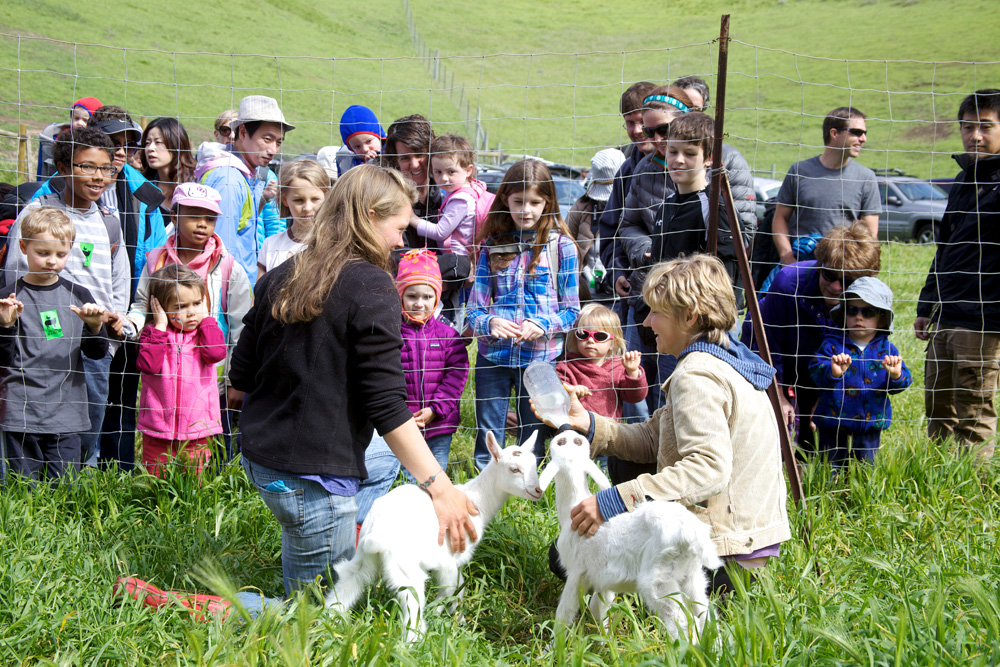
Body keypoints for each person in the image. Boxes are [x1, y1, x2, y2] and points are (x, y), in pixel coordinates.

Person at [229, 164, 478, 599]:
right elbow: (386, 405)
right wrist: (441, 489)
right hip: (312, 473)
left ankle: (342, 535)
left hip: (265, 457)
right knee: (315, 612)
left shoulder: (283, 273)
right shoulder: (372, 285)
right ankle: (202, 608)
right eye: (398, 227)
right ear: (367, 216)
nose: (402, 240)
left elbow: (241, 375)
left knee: (376, 465)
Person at [543, 254, 790, 595]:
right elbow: (653, 436)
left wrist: (613, 501)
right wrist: (588, 423)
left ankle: (708, 590)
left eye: (656, 312)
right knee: (623, 460)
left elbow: (708, 468)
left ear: (689, 317)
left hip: (724, 548)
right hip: (750, 539)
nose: (646, 323)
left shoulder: (697, 375)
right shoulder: (722, 357)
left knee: (565, 555)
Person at [4, 127, 131, 470]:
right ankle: (27, 488)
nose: (99, 176)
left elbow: (118, 280)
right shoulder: (36, 214)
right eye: (87, 166)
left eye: (106, 168)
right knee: (33, 419)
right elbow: (16, 279)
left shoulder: (109, 222)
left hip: (93, 340)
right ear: (62, 166)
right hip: (42, 343)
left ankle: (75, 489)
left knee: (89, 417)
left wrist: (116, 322)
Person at [465, 159, 581, 468]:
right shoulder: (491, 246)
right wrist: (490, 321)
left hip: (541, 358)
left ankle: (528, 483)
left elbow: (572, 311)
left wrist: (543, 325)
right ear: (505, 199)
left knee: (535, 429)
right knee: (489, 427)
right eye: (519, 201)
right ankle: (487, 477)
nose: (526, 210)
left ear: (548, 203)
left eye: (535, 202)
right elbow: (473, 310)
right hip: (494, 356)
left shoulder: (561, 248)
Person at [127, 183, 252, 460]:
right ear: (174, 217)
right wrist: (130, 326)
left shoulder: (228, 266)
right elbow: (141, 304)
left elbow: (241, 325)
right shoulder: (156, 262)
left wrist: (235, 379)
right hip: (164, 377)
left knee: (213, 453)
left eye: (210, 218)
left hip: (211, 376)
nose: (202, 225)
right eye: (193, 216)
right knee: (162, 452)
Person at [629, 112, 748, 403]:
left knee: (697, 398)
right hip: (667, 322)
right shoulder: (666, 207)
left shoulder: (715, 207)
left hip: (701, 328)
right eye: (673, 151)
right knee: (667, 398)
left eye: (690, 153)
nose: (679, 160)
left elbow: (727, 267)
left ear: (709, 158)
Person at [742, 222, 881, 452]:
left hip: (822, 368)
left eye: (847, 281)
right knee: (776, 428)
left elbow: (860, 351)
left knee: (820, 436)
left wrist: (829, 395)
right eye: (829, 274)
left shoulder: (865, 301)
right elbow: (767, 344)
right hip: (777, 357)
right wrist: (778, 393)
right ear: (820, 264)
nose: (836, 287)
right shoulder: (788, 283)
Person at [915, 89, 1000, 460]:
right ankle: (937, 475)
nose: (975, 136)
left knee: (974, 408)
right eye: (968, 127)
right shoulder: (964, 181)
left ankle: (972, 486)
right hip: (946, 315)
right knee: (937, 404)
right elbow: (944, 249)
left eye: (985, 126)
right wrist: (926, 304)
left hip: (983, 318)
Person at [86, 105, 169, 470]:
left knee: (121, 397)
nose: (121, 151)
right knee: (80, 393)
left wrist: (139, 312)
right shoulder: (57, 187)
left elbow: (153, 256)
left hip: (127, 313)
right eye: (111, 142)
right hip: (79, 312)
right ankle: (71, 472)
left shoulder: (144, 194)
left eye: (128, 144)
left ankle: (117, 473)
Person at [0, 207, 109, 483]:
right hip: (20, 409)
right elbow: (3, 358)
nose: (52, 261)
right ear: (24, 246)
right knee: (24, 490)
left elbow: (96, 352)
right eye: (43, 253)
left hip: (67, 411)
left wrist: (95, 326)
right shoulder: (8, 297)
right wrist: (5, 326)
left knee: (65, 489)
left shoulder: (78, 294)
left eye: (61, 255)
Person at [616, 85, 696, 413]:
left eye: (663, 130)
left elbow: (736, 231)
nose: (656, 138)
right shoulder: (644, 169)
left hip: (693, 296)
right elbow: (625, 224)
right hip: (647, 294)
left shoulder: (723, 163)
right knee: (642, 382)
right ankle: (643, 455)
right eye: (652, 131)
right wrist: (644, 252)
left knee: (686, 386)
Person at [136, 264, 227, 477]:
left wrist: (207, 319)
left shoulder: (205, 332)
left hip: (197, 429)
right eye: (181, 306)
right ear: (159, 306)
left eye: (196, 303)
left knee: (193, 484)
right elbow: (148, 366)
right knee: (155, 482)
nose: (191, 312)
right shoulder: (153, 334)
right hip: (158, 428)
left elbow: (215, 354)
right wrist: (159, 327)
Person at [810, 277, 911, 466]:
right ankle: (829, 492)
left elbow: (902, 382)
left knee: (865, 467)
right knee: (830, 466)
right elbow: (815, 371)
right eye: (852, 310)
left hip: (870, 420)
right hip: (833, 418)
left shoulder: (887, 350)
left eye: (868, 312)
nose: (859, 317)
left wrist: (896, 375)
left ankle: (862, 493)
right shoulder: (833, 344)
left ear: (882, 319)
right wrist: (832, 371)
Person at [195, 95, 294, 285]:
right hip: (229, 296)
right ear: (242, 131)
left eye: (279, 142)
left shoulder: (248, 174)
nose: (273, 149)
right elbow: (221, 252)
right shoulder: (229, 179)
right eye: (267, 139)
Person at [772, 107, 880, 266]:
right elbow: (780, 218)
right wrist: (788, 259)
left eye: (864, 133)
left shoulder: (866, 178)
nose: (863, 138)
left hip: (844, 270)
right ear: (834, 133)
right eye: (856, 132)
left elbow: (870, 235)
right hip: (803, 266)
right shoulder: (799, 171)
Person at [396, 248, 469, 479]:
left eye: (427, 297)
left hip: (439, 423)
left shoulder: (449, 336)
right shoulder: (390, 334)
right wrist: (399, 413)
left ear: (437, 297)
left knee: (435, 479)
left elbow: (456, 378)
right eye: (412, 296)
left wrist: (436, 409)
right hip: (403, 425)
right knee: (406, 480)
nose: (419, 303)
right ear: (400, 296)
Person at [672, 75, 758, 239]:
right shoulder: (648, 160)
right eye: (682, 108)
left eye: (695, 109)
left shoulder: (730, 159)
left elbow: (743, 232)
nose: (688, 115)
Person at [555, 303, 647, 425]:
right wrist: (570, 391)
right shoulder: (567, 366)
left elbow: (635, 396)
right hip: (574, 430)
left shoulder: (618, 366)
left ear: (613, 343)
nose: (590, 340)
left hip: (609, 431)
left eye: (599, 336)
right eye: (583, 334)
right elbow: (555, 396)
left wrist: (633, 372)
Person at [565, 148, 626, 301]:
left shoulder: (635, 205)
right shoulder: (581, 207)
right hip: (587, 296)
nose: (607, 203)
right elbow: (565, 242)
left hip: (623, 295)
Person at [258, 159, 332, 277]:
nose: (307, 208)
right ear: (285, 200)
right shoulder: (271, 245)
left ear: (326, 196)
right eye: (299, 200)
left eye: (315, 199)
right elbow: (259, 293)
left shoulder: (335, 245)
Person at [384, 113, 442, 248]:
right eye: (405, 158)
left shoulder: (448, 192)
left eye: (420, 154)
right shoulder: (389, 200)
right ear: (396, 161)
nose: (414, 164)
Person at [140, 117, 197, 228]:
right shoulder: (141, 185)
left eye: (158, 142)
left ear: (176, 144)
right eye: (147, 143)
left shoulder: (195, 184)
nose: (150, 148)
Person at [36, 96, 102, 180]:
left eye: (85, 120)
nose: (79, 123)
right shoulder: (64, 135)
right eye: (76, 118)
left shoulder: (98, 141)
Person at [338, 105, 385, 175]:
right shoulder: (346, 161)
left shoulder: (394, 151)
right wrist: (366, 165)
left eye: (369, 141)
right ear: (351, 149)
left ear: (379, 137)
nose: (365, 149)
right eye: (357, 146)